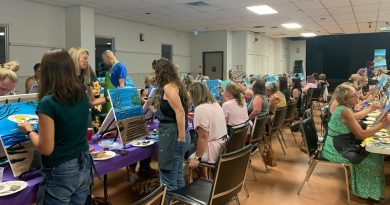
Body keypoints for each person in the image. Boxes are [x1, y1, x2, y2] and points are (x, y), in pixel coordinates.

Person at [17, 49, 93, 205]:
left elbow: (46, 148)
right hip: (84, 163)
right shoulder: (82, 94)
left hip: (62, 170)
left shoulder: (48, 102)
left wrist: (29, 130)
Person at [322, 83, 390, 201]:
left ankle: (369, 190)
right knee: (370, 160)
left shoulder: (345, 108)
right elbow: (361, 134)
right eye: (354, 96)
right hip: (335, 149)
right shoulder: (344, 111)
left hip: (338, 144)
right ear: (345, 99)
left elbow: (356, 121)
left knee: (374, 155)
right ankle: (367, 193)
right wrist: (383, 124)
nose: (358, 97)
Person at [153, 58, 190, 191]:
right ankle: (180, 200)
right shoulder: (176, 85)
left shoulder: (168, 87)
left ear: (161, 72)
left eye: (155, 72)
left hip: (174, 137)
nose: (154, 75)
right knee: (178, 176)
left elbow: (180, 112)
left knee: (168, 183)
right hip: (177, 134)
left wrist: (180, 138)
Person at [188, 82, 227, 177]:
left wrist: (197, 158)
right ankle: (205, 178)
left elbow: (203, 137)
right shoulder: (215, 104)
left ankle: (203, 179)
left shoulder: (200, 108)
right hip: (222, 143)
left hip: (212, 148)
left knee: (185, 153)